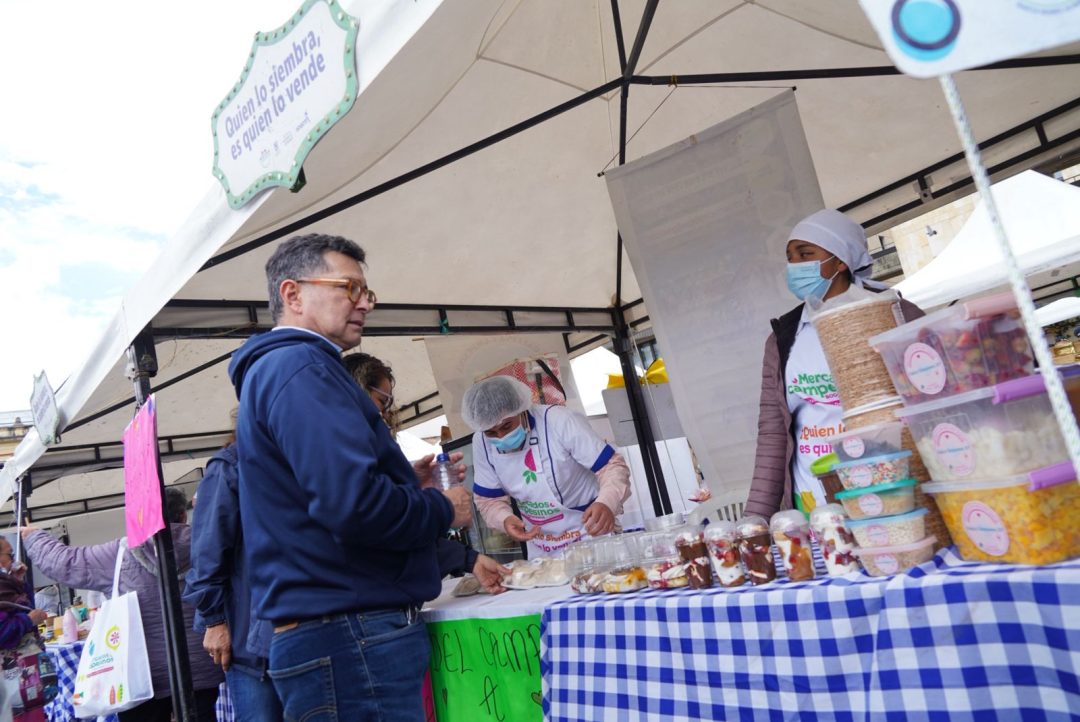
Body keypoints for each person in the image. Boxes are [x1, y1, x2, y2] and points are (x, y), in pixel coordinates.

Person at [228, 233, 472, 721]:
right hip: (349, 633)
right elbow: (353, 506)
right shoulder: (300, 366)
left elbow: (324, 497)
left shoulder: (290, 368)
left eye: (367, 292)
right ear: (293, 294)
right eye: (349, 288)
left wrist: (405, 484)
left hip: (341, 631)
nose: (364, 303)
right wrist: (443, 507)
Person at [745, 208, 924, 518]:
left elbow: (931, 398)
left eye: (806, 254)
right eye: (791, 258)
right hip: (814, 503)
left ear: (841, 261)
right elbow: (773, 433)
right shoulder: (783, 338)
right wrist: (755, 519)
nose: (795, 265)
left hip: (894, 488)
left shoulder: (894, 314)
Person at [22, 489, 224, 721]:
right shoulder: (208, 548)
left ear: (142, 516)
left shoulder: (121, 554)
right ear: (183, 515)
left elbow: (65, 563)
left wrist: (34, 537)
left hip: (139, 676)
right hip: (200, 667)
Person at [342, 352, 509, 590]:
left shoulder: (359, 454)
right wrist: (442, 506)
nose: (385, 415)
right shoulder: (340, 454)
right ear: (358, 392)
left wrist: (412, 486)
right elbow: (377, 524)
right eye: (382, 401)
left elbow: (393, 523)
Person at [463, 375, 632, 557]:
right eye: (491, 432)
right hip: (542, 546)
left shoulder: (558, 420)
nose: (500, 437)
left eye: (506, 426)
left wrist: (606, 502)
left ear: (520, 409)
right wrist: (504, 519)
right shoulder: (481, 442)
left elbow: (612, 466)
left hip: (589, 532)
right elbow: (488, 500)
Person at [183, 441, 282, 722]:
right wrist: (214, 621)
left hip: (304, 635)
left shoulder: (304, 451)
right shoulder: (230, 464)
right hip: (252, 648)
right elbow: (207, 554)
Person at [0, 537, 49, 722]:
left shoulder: (8, 584)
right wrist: (28, 620)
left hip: (23, 677)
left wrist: (19, 581)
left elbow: (26, 607)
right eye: (10, 554)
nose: (14, 559)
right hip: (11, 679)